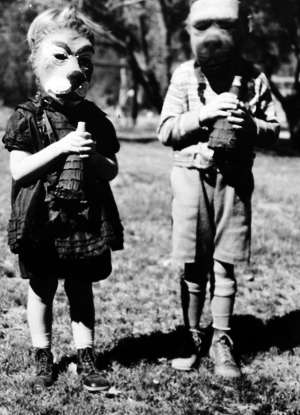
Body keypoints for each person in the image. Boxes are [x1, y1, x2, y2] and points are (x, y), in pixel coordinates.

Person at [2, 6, 123, 391]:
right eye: (61, 55)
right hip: (43, 218)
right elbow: (19, 171)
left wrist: (92, 156)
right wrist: (62, 147)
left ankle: (87, 358)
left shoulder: (96, 118)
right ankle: (44, 358)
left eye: (84, 59)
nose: (75, 68)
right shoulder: (27, 117)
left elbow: (111, 170)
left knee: (81, 288)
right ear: (38, 60)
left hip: (85, 218)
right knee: (41, 288)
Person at [158, 0, 280, 378]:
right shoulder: (183, 76)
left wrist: (252, 125)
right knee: (194, 265)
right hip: (192, 178)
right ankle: (192, 335)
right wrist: (203, 115)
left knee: (225, 264)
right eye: (203, 26)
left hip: (235, 182)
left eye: (225, 26)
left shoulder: (254, 78)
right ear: (191, 30)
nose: (214, 38)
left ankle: (222, 340)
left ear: (245, 28)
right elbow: (166, 131)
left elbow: (278, 129)